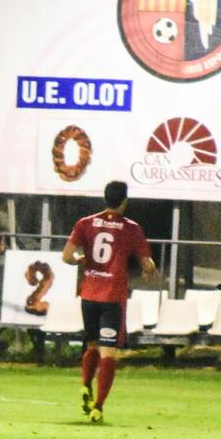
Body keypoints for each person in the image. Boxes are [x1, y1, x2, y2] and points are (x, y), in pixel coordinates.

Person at [61, 180, 157, 423]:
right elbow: (147, 264)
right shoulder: (131, 228)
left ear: (105, 198)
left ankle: (85, 385)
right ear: (124, 201)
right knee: (109, 353)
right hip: (112, 297)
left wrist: (81, 260)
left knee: (92, 345)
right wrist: (149, 269)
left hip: (89, 295)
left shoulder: (85, 223)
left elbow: (66, 256)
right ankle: (98, 408)